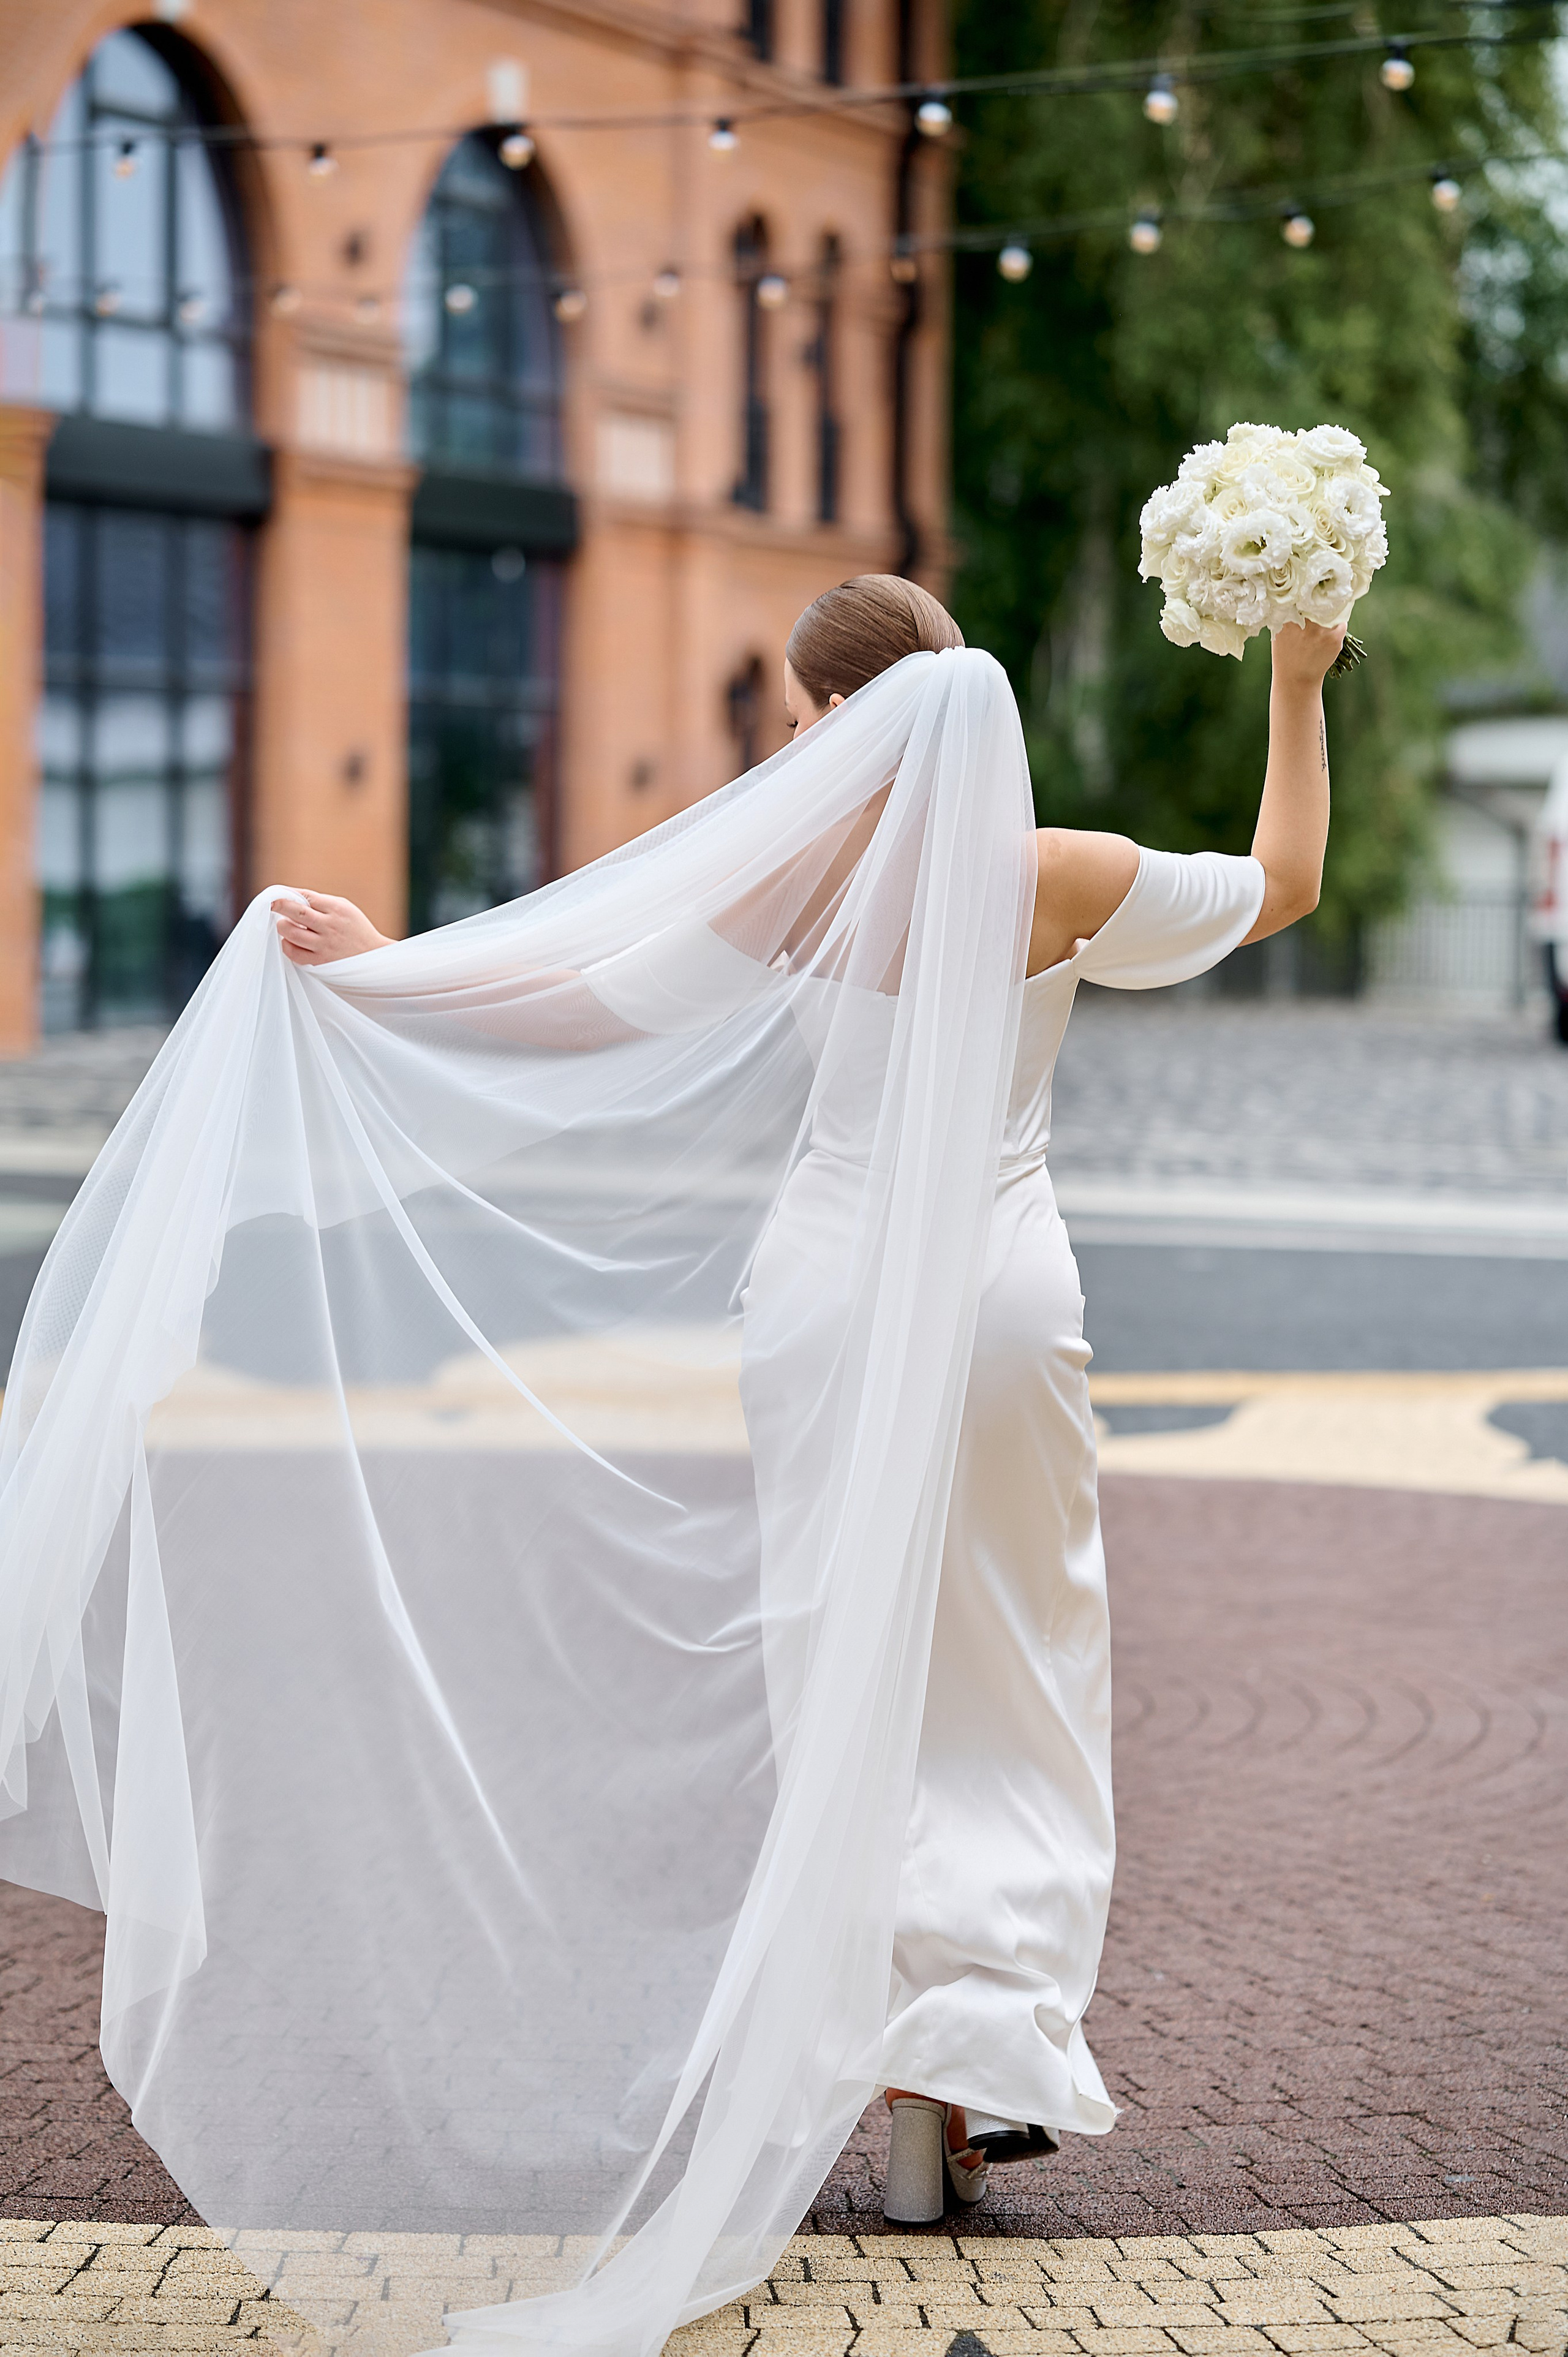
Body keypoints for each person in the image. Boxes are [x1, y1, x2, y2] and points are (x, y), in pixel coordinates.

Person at [264, 575, 1338, 2230]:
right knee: (1010, 1671)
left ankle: (880, 2050)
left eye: (801, 718)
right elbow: (1285, 887)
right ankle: (967, 2064)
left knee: (842, 1669)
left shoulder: (796, 886)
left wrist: (388, 971)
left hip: (828, 1303)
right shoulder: (1059, 879)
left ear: (847, 724)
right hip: (1001, 1304)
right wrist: (1297, 681)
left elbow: (576, 1004)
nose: (795, 745)